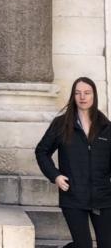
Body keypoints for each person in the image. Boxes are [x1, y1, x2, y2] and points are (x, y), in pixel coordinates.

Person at [36, 77, 111, 248]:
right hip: (73, 195)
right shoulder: (61, 124)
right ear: (73, 96)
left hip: (103, 196)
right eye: (78, 93)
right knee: (83, 245)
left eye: (87, 93)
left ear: (94, 96)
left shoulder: (106, 127)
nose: (82, 97)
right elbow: (42, 152)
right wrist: (55, 176)